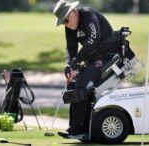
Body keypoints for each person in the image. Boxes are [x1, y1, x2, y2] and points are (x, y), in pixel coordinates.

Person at [53, 0, 116, 140]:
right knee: (72, 84)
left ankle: (80, 129)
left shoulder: (87, 14)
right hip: (92, 60)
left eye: (67, 20)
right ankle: (74, 128)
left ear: (74, 11)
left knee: (82, 84)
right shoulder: (70, 27)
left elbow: (94, 38)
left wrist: (77, 59)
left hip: (107, 57)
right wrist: (68, 64)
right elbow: (70, 47)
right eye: (63, 22)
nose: (66, 24)